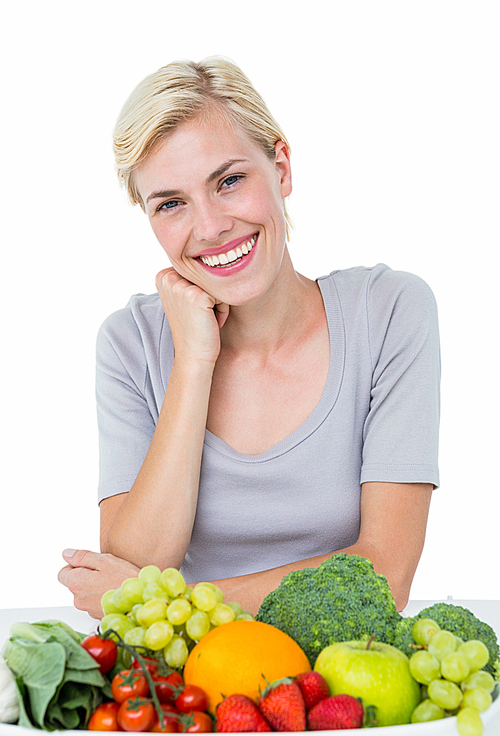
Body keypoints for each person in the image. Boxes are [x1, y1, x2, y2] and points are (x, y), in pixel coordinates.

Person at [58, 56, 440, 620]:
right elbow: (134, 561)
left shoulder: (387, 313)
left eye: (229, 181)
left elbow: (384, 574)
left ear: (281, 168)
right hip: (196, 693)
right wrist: (193, 360)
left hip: (346, 687)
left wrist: (175, 603)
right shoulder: (130, 344)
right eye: (171, 204)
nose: (210, 227)